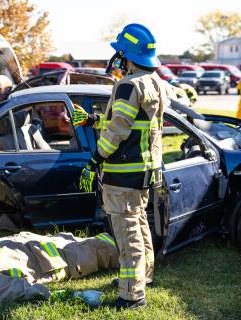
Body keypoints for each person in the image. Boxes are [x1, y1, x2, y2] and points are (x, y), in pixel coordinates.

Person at [73, 23, 167, 310]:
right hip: (144, 172)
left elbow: (117, 133)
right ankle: (142, 278)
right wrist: (93, 120)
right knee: (139, 225)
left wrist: (93, 162)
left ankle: (131, 296)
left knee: (127, 235)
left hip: (123, 175)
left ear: (126, 56)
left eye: (120, 55)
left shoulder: (128, 85)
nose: (117, 60)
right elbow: (130, 124)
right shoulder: (155, 83)